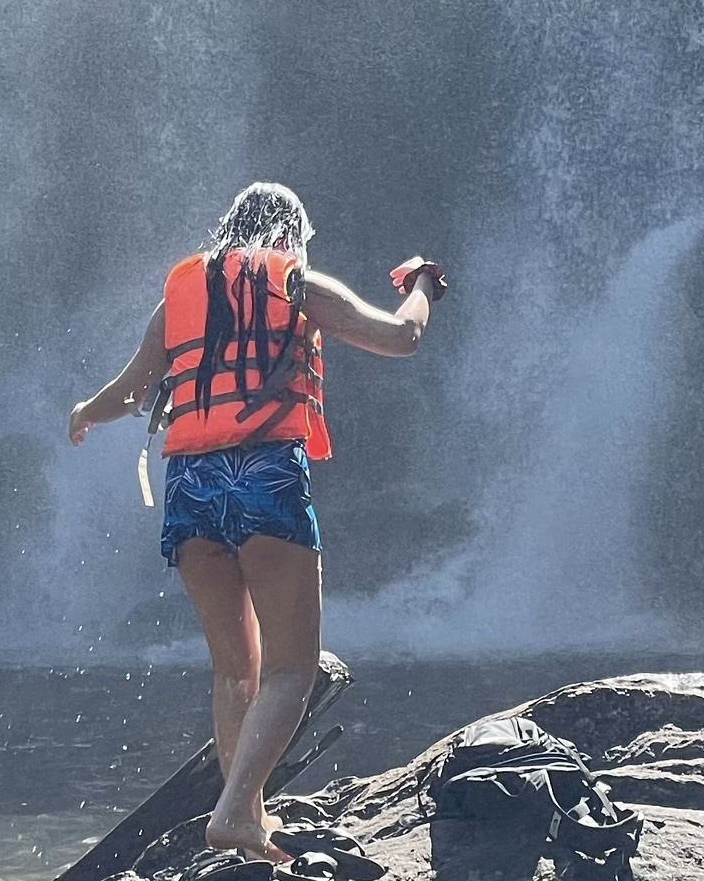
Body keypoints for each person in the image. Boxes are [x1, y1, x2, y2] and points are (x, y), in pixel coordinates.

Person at [70, 181, 444, 866]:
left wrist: (83, 415)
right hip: (263, 477)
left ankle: (248, 815)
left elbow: (128, 393)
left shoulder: (179, 297)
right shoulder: (298, 282)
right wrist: (423, 282)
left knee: (233, 671)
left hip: (189, 488)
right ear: (288, 236)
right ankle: (237, 809)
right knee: (291, 670)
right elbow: (403, 336)